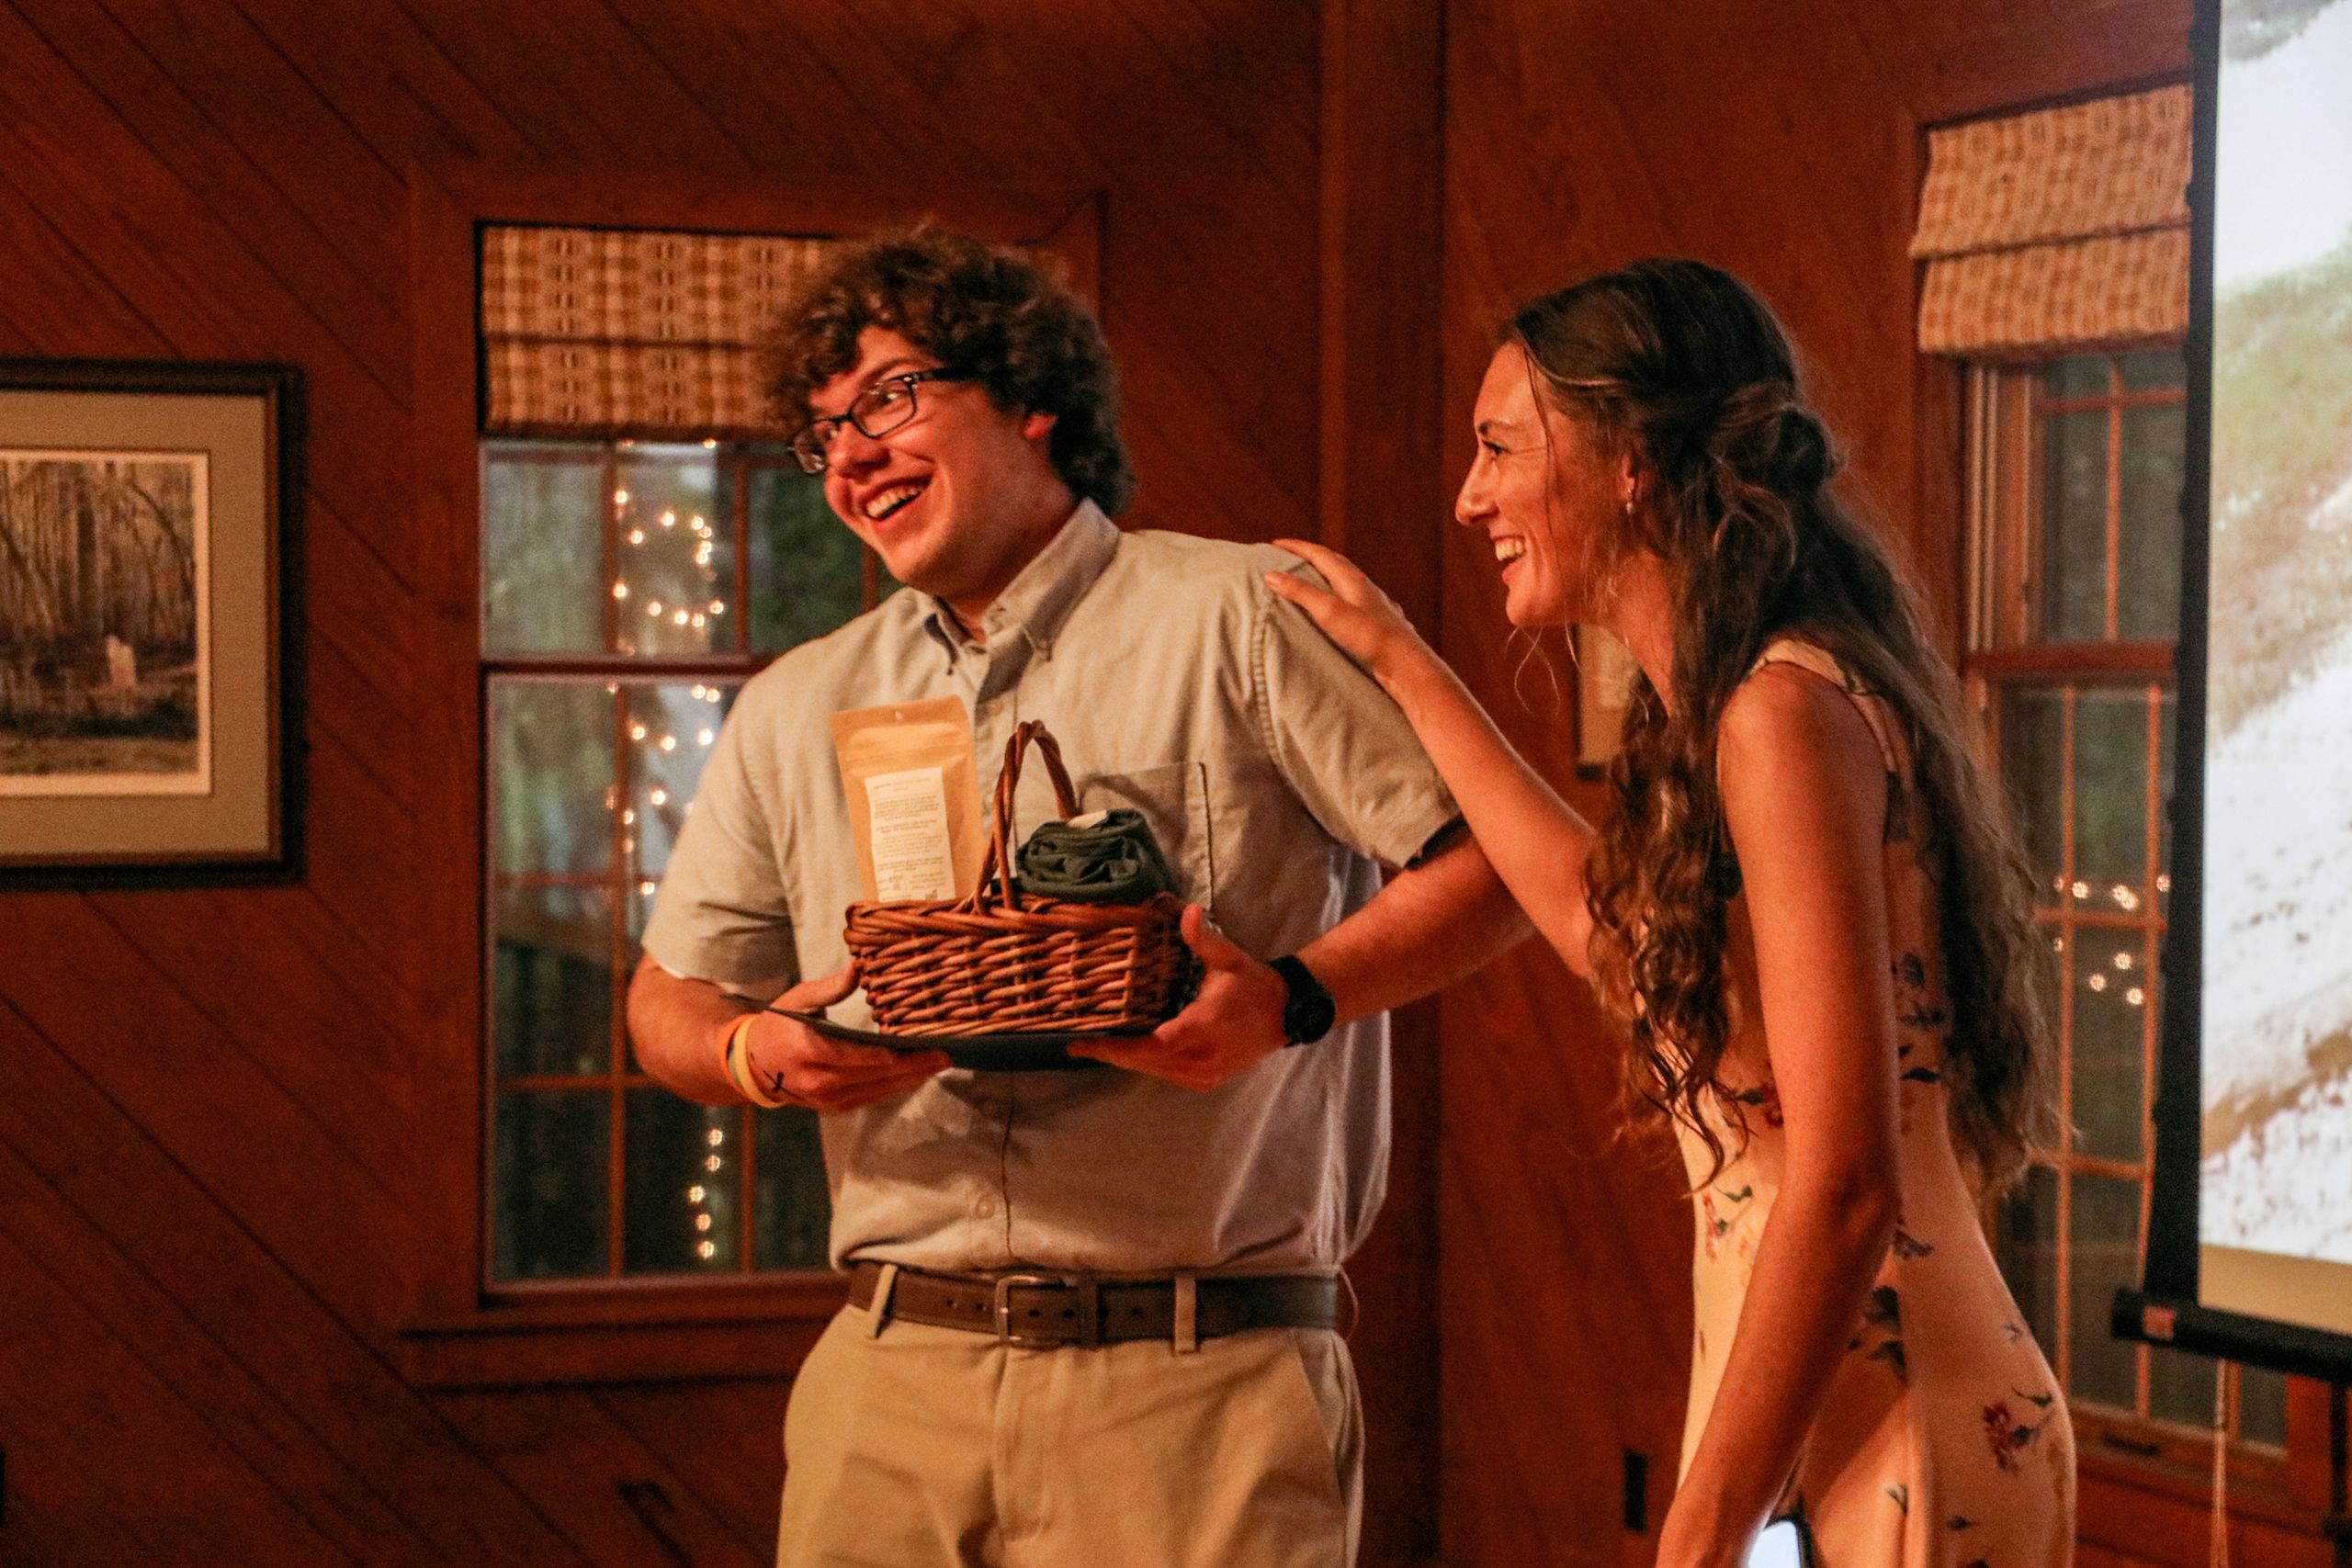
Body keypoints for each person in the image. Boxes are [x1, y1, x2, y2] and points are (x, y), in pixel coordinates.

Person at [627, 228, 1526, 1568]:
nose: (851, 458)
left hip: (1196, 1386)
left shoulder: (1242, 614)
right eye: (823, 437)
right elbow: (667, 1000)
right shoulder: (797, 701)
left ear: (1029, 396)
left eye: (888, 399)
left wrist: (1291, 999)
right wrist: (752, 1054)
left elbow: (1498, 869)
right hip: (889, 1381)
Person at [1270, 258, 2075, 1567]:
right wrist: (1402, 662)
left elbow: (1848, 1183)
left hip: (1898, 1432)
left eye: (1499, 448)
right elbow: (1611, 937)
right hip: (1823, 1421)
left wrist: (1696, 1537)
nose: (1470, 495)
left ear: (1629, 463)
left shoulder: (1778, 714)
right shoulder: (1735, 708)